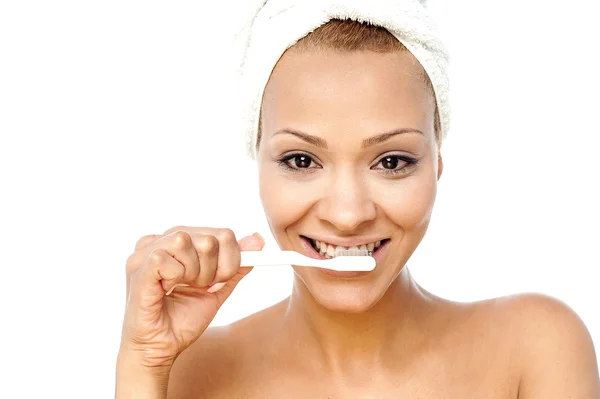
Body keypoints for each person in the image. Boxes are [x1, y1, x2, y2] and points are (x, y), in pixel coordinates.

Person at [115, 2, 600, 398]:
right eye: (302, 161)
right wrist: (143, 363)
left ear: (437, 167)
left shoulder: (535, 347)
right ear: (258, 164)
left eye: (391, 161)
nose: (347, 215)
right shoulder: (191, 370)